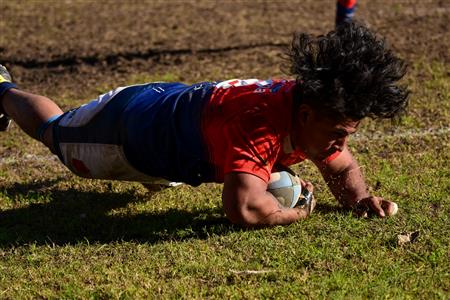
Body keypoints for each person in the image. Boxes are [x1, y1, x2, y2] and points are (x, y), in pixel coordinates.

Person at [0, 22, 408, 228]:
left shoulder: (314, 108)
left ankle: (162, 170)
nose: (339, 144)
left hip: (175, 114)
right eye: (338, 133)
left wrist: (359, 200)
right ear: (305, 117)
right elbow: (244, 209)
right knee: (57, 133)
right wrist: (295, 212)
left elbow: (342, 165)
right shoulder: (259, 125)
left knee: (172, 168)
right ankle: (4, 88)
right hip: (127, 130)